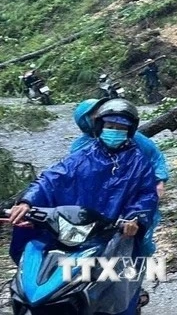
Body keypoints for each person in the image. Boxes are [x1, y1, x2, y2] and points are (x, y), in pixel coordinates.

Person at [8, 99, 158, 315]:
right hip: (76, 230)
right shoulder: (81, 157)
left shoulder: (139, 163)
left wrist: (135, 218)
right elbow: (50, 179)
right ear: (99, 127)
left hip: (114, 233)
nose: (115, 131)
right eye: (110, 126)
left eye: (121, 128)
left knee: (121, 281)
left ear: (130, 130)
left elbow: (146, 195)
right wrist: (27, 201)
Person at [71, 98, 168, 255]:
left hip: (133, 196)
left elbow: (155, 156)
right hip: (98, 200)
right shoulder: (80, 148)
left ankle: (137, 267)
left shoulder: (134, 141)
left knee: (138, 237)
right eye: (93, 114)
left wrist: (159, 181)